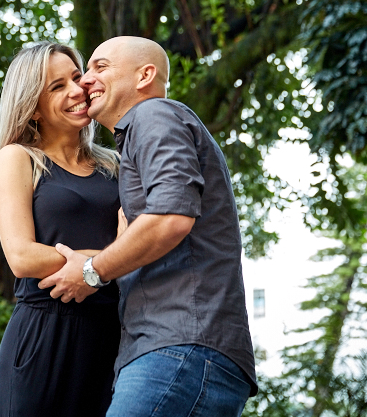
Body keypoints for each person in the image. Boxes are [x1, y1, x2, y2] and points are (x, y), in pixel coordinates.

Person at [38, 36, 258, 417]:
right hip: (181, 349)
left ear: (145, 75)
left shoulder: (154, 114)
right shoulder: (140, 138)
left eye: (99, 67)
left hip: (180, 345)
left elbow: (172, 217)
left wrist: (91, 271)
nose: (85, 81)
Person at [0, 41, 124, 417]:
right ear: (33, 107)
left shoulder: (116, 164)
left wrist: (98, 267)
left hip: (113, 333)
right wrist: (107, 262)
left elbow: (143, 243)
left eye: (77, 77)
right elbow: (21, 256)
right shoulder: (19, 158)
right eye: (56, 86)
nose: (77, 90)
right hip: (44, 336)